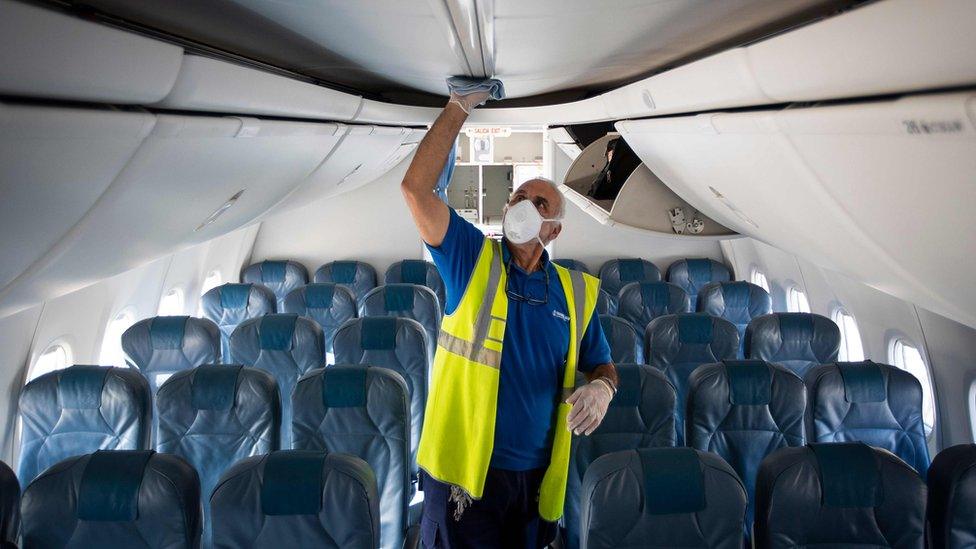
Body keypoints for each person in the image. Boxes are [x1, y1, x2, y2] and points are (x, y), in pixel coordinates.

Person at [401, 83, 619, 548]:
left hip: (536, 480)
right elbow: (416, 190)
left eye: (539, 203)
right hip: (463, 477)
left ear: (554, 228)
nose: (525, 205)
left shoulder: (575, 292)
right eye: (519, 196)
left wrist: (602, 387)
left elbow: (602, 364)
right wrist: (458, 107)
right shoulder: (471, 259)